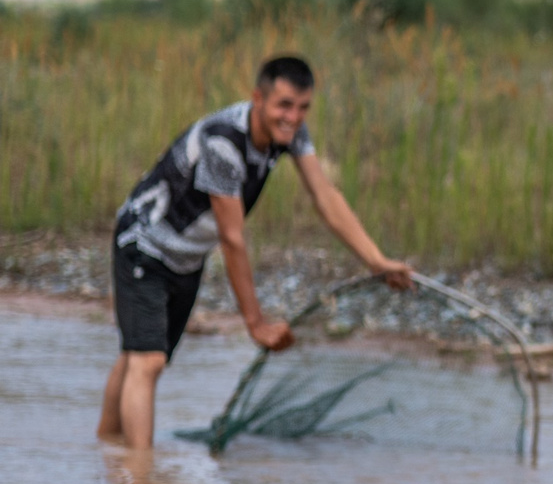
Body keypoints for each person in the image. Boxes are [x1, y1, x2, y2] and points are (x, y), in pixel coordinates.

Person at [99, 55, 413, 460]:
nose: (293, 117)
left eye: (303, 108)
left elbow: (325, 196)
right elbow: (232, 238)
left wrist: (376, 261)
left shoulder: (290, 132)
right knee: (149, 361)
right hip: (143, 243)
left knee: (138, 357)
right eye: (284, 105)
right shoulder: (223, 143)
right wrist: (255, 323)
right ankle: (140, 482)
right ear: (258, 99)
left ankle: (106, 447)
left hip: (187, 257)